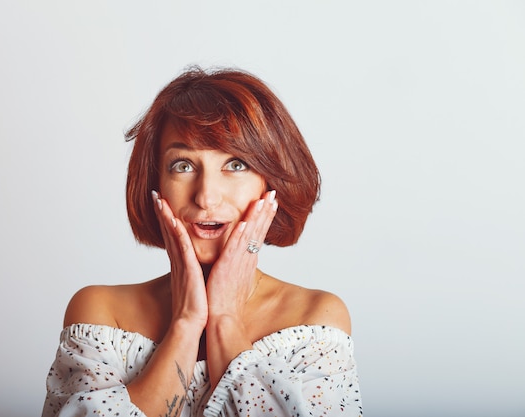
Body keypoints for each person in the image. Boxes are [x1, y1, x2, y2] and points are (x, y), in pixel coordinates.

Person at [41, 67, 362, 417]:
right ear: (156, 184)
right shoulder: (101, 313)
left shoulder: (316, 319)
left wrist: (225, 317)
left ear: (270, 182)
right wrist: (186, 322)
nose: (207, 197)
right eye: (182, 166)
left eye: (236, 165)